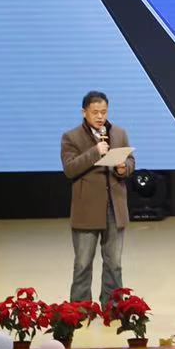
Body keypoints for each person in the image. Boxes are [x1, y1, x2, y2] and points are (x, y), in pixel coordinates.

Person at [61, 91, 135, 302]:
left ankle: (113, 306)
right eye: (95, 112)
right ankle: (80, 309)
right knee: (83, 263)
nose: (100, 116)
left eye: (104, 112)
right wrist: (95, 152)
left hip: (115, 208)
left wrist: (123, 168)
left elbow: (131, 161)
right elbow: (70, 169)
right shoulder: (71, 137)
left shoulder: (119, 133)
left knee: (114, 263)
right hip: (87, 209)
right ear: (84, 112)